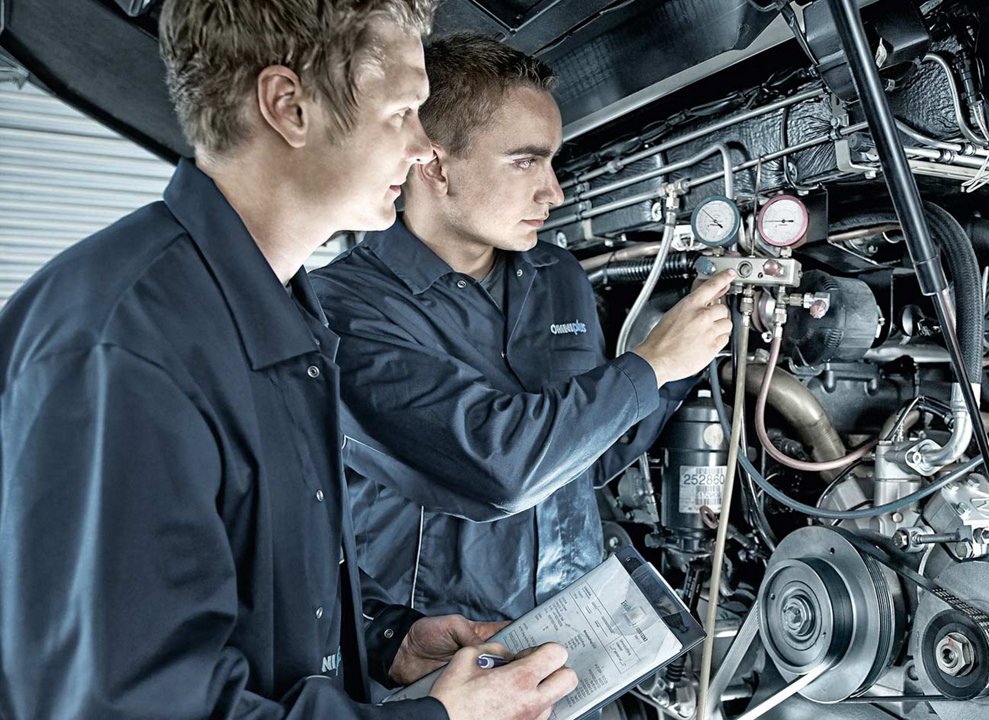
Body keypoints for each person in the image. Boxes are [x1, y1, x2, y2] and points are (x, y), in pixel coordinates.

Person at [0, 4, 573, 719]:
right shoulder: (126, 346)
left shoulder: (279, 311)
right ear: (289, 107)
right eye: (402, 113)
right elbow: (134, 706)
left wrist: (384, 637)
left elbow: (258, 580)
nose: (423, 147)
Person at [313, 33, 733, 624]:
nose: (553, 191)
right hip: (446, 651)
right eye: (525, 161)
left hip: (576, 630)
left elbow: (586, 459)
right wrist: (654, 364)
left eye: (552, 161)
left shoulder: (557, 274)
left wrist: (688, 361)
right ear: (435, 165)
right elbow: (499, 469)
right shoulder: (344, 307)